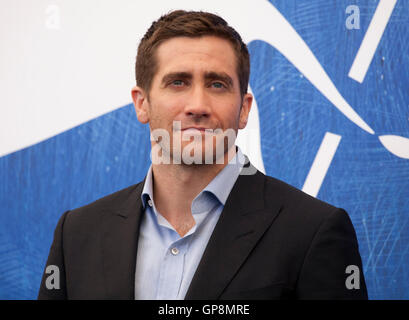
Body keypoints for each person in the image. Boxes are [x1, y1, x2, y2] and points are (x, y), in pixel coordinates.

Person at [38, 10, 368, 300]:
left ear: (244, 110)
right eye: (178, 82)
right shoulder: (77, 234)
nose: (197, 106)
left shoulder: (312, 230)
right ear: (142, 103)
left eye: (217, 84)